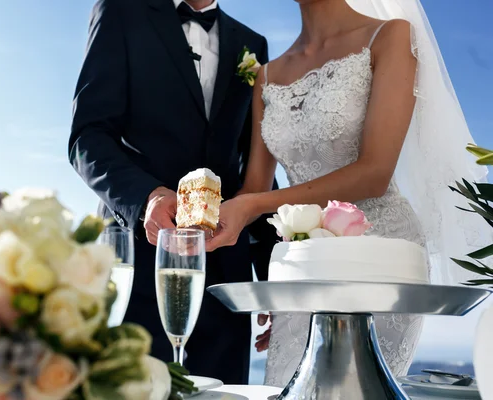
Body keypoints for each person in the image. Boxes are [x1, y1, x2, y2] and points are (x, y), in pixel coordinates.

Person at [203, 0, 488, 387]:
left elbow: (375, 173)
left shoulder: (391, 37)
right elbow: (254, 188)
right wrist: (206, 218)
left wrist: (253, 203)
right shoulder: (267, 77)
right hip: (305, 264)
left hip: (380, 257)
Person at [68, 0, 278, 384]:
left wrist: (271, 278)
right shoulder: (119, 12)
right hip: (137, 267)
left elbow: (257, 169)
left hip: (224, 279)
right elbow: (88, 137)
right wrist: (146, 197)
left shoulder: (253, 43)